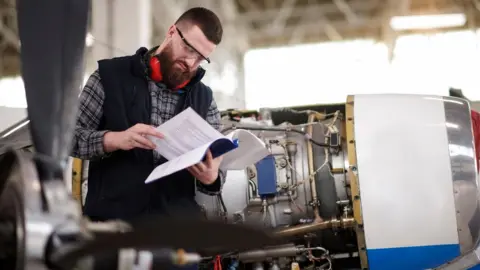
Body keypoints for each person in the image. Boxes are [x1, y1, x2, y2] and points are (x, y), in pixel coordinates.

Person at [71, 7, 225, 223]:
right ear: (172, 32)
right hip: (112, 229)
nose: (191, 63)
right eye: (189, 49)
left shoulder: (205, 100)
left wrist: (212, 178)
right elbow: (69, 139)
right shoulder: (109, 77)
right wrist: (114, 139)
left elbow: (216, 166)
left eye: (201, 58)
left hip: (176, 236)